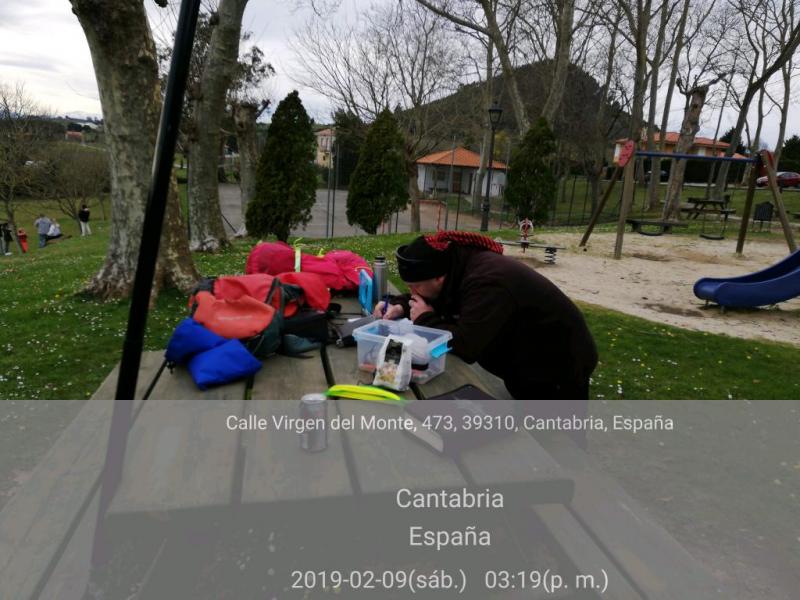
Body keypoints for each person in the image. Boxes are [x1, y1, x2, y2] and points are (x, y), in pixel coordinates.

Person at [374, 231, 598, 400]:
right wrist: (400, 305)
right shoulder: (454, 267)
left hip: (558, 366)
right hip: (523, 362)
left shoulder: (487, 283)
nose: (412, 292)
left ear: (439, 278)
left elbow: (466, 345)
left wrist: (425, 319)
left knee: (556, 442)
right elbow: (435, 297)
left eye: (415, 287)